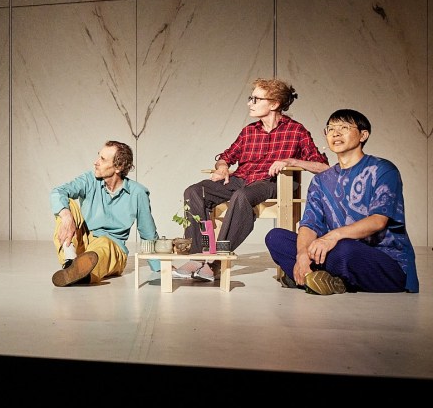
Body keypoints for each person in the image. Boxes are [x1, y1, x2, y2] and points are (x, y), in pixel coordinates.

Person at [175, 78, 329, 282]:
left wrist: (290, 161)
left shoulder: (296, 131)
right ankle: (198, 255)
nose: (250, 103)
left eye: (256, 99)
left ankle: (216, 260)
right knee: (194, 191)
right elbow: (226, 156)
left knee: (242, 196)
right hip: (241, 179)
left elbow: (322, 167)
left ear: (274, 104)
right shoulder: (249, 131)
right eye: (251, 98)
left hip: (271, 182)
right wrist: (222, 167)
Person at [265, 109, 418, 295]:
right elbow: (310, 225)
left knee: (344, 249)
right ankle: (326, 279)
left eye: (344, 128)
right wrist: (302, 254)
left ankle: (311, 277)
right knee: (276, 238)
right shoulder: (320, 180)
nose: (335, 133)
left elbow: (378, 220)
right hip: (337, 252)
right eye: (330, 129)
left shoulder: (383, 170)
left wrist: (332, 237)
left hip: (385, 262)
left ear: (363, 135)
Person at [50, 140, 160, 286]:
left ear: (119, 167)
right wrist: (66, 216)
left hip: (112, 249)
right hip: (84, 243)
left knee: (104, 244)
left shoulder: (137, 193)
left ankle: (84, 274)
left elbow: (148, 233)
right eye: (98, 156)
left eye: (102, 159)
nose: (96, 162)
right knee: (67, 205)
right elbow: (58, 192)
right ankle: (70, 263)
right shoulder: (89, 180)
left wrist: (160, 266)